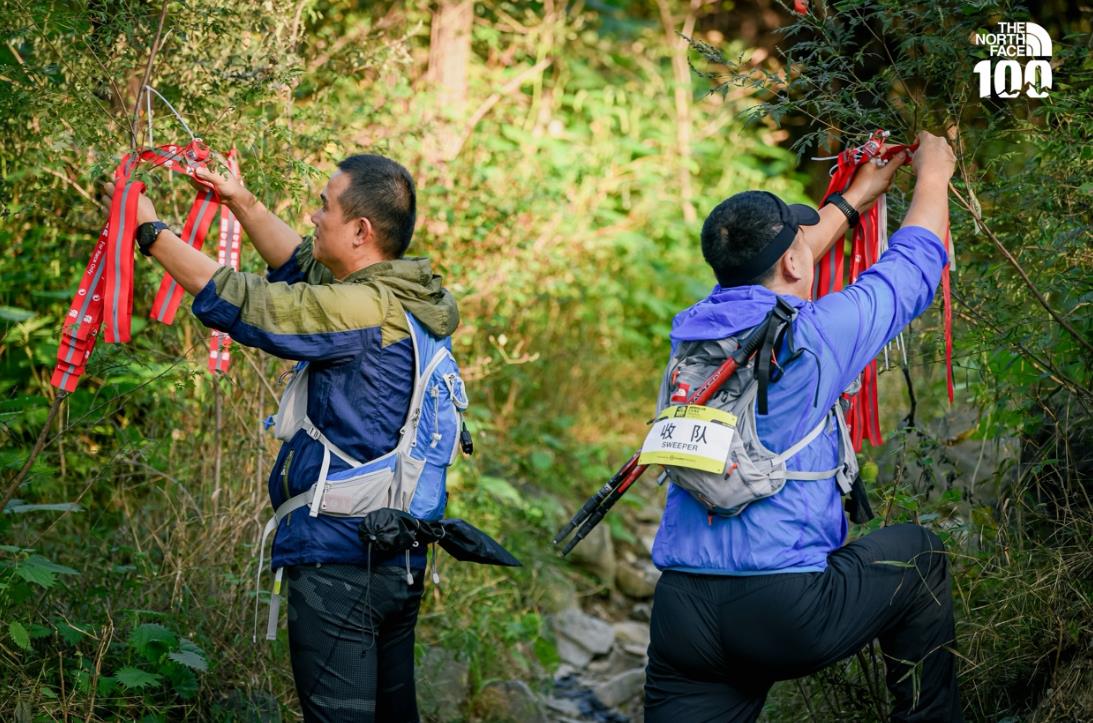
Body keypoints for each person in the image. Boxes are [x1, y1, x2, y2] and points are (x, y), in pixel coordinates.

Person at [106, 153, 458, 722]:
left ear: (362, 231)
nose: (314, 217)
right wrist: (240, 201)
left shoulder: (362, 310)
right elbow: (302, 266)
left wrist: (149, 232)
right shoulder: (406, 299)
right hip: (397, 558)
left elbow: (253, 303)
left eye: (325, 206)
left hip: (341, 562)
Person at [643, 131, 962, 722]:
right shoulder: (815, 337)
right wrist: (934, 176)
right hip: (783, 609)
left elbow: (783, 263)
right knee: (921, 558)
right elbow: (912, 269)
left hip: (682, 612)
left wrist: (858, 195)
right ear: (791, 261)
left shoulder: (692, 335)